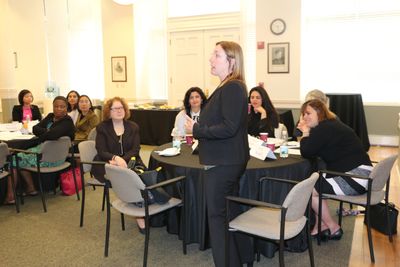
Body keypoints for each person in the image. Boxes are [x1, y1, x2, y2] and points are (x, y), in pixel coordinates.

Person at [185, 41, 253, 267]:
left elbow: (229, 127)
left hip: (224, 163)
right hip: (228, 160)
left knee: (217, 218)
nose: (210, 59)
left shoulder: (233, 87)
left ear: (231, 61)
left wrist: (196, 129)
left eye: (217, 55)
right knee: (229, 212)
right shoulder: (230, 86)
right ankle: (241, 258)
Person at [298, 99, 372, 240]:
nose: (305, 117)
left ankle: (333, 227)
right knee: (318, 180)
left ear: (319, 113)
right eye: (303, 114)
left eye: (308, 113)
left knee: (310, 189)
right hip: (363, 173)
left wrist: (306, 133)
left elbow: (306, 151)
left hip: (357, 178)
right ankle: (321, 224)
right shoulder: (330, 125)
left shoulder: (323, 128)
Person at [4, 96, 75, 205]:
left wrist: (46, 132)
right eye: (56, 106)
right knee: (19, 156)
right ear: (53, 107)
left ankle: (10, 196)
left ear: (67, 108)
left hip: (52, 158)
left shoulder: (67, 121)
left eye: (62, 107)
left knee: (13, 160)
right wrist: (47, 131)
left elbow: (52, 135)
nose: (59, 109)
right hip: (41, 153)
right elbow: (35, 129)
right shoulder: (51, 116)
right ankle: (31, 188)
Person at [91, 97, 146, 233]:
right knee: (128, 180)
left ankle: (142, 206)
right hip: (106, 163)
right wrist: (115, 158)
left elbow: (135, 149)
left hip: (130, 160)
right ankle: (139, 215)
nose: (119, 110)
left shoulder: (133, 127)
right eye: (115, 108)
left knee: (143, 177)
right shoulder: (102, 127)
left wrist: (122, 160)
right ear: (108, 111)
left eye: (121, 108)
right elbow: (101, 150)